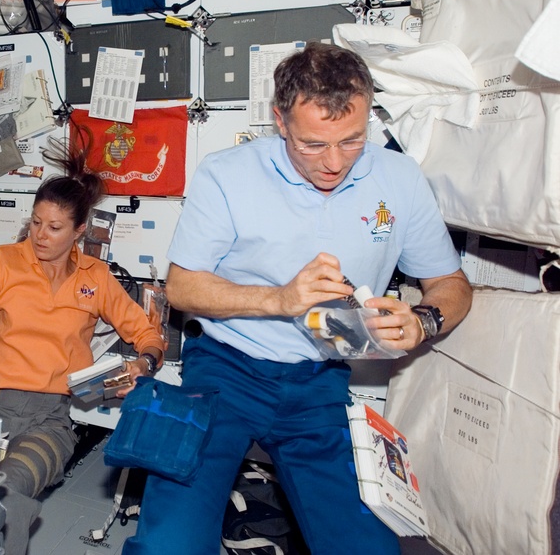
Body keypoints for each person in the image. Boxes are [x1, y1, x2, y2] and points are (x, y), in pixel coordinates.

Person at [124, 42, 473, 554]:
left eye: (352, 140)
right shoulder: (226, 174)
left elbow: (453, 286)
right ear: (280, 122)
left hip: (320, 381)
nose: (334, 163)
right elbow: (182, 287)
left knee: (368, 548)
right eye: (312, 144)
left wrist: (424, 320)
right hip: (226, 369)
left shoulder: (399, 179)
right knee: (169, 545)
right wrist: (281, 299)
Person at [0, 138, 167, 555]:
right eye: (35, 223)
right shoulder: (5, 261)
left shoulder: (96, 277)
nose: (40, 236)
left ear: (79, 231)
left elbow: (147, 333)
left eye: (54, 227)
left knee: (9, 492)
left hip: (49, 418)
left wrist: (145, 361)